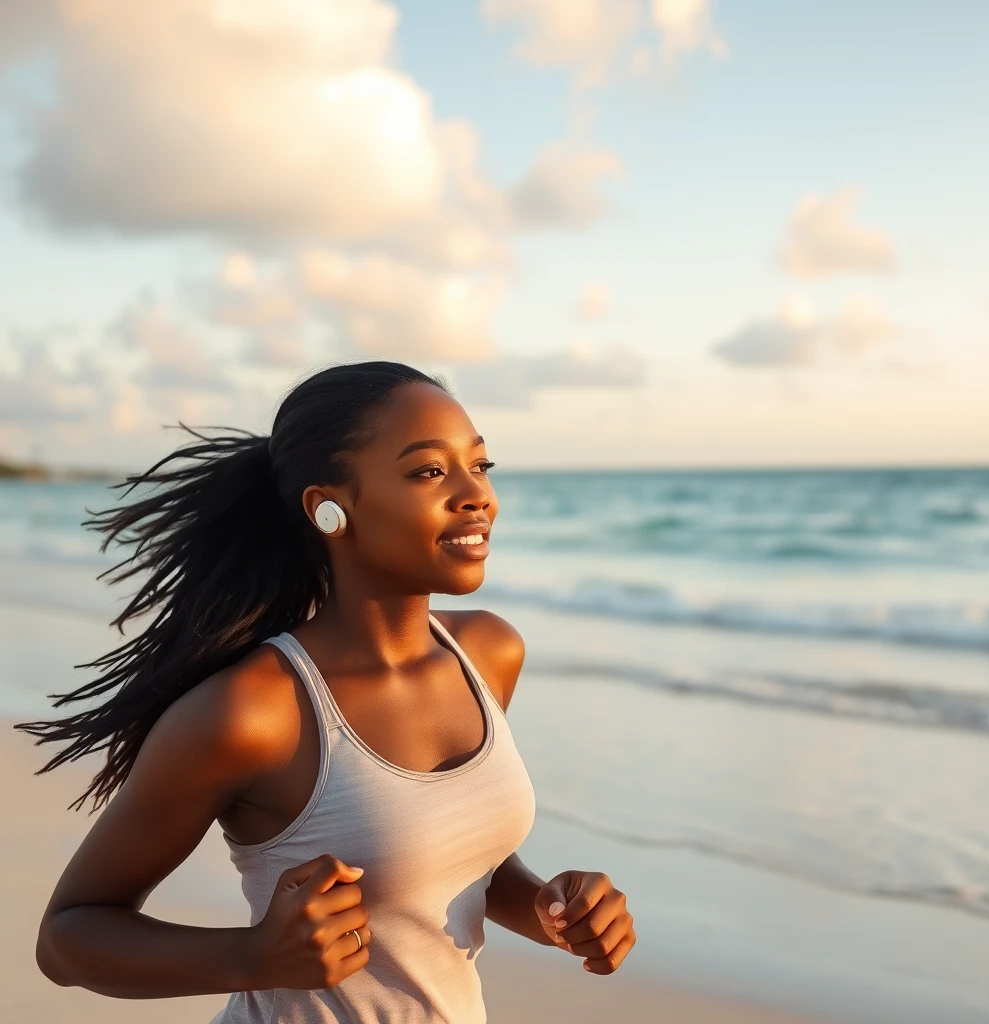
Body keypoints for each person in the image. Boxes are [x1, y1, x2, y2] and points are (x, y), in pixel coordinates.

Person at [15, 360, 636, 1023]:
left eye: (480, 466)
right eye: (429, 471)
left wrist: (552, 910)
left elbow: (448, 856)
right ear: (329, 508)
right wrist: (254, 955)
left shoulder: (489, 652)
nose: (475, 494)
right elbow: (68, 937)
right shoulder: (254, 711)